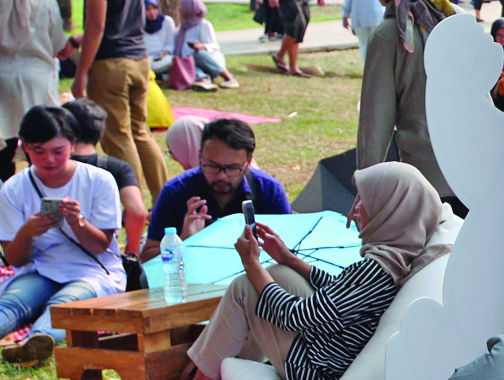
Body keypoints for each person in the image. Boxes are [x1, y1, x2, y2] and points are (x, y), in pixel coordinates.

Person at [133, 162, 447, 380]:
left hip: (317, 376)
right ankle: (220, 378)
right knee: (280, 274)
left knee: (246, 287)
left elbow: (297, 317)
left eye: (365, 200)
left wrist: (252, 264)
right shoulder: (395, 256)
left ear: (389, 209)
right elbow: (343, 294)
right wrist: (288, 259)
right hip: (332, 359)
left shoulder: (376, 269)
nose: (355, 208)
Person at [0, 104, 123, 363]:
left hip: (93, 270)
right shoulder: (13, 188)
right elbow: (15, 259)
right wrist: (27, 232)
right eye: (38, 151)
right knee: (13, 303)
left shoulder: (99, 180)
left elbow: (101, 246)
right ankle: (32, 341)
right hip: (40, 269)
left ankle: (38, 340)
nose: (50, 160)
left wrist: (77, 222)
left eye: (59, 151)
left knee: (64, 304)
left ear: (73, 144)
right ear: (23, 146)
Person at [68, 0, 168, 200]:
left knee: (117, 137)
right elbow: (117, 21)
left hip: (111, 65)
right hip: (139, 60)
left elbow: (97, 26)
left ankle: (131, 203)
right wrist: (75, 40)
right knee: (141, 133)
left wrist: (80, 74)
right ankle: (163, 199)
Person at [358, 0, 461, 207]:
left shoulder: (387, 36)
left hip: (425, 179)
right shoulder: (455, 17)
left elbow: (375, 119)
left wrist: (367, 186)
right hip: (474, 168)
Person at [141, 117, 292, 260]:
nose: (222, 176)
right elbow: (146, 260)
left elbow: (291, 248)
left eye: (232, 168)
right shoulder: (176, 191)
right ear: (200, 157)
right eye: (212, 166)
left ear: (249, 161)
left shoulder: (269, 190)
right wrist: (183, 242)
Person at [62, 97, 148, 268]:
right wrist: (131, 253)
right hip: (101, 256)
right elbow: (137, 212)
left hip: (54, 254)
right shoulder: (116, 168)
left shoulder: (48, 167)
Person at [0, 0, 61, 181]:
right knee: (40, 146)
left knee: (4, 147)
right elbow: (58, 45)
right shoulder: (44, 0)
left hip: (2, 84)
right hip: (37, 82)